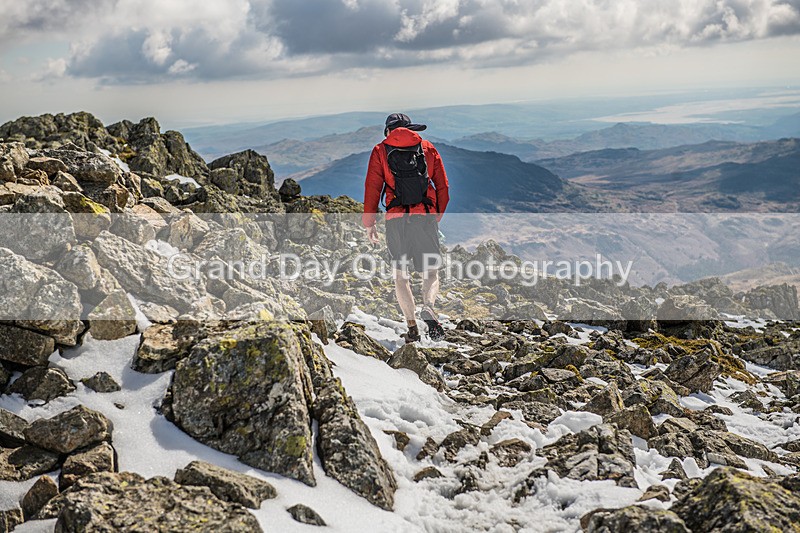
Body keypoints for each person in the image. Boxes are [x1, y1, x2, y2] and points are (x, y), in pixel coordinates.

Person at [362, 113, 450, 342]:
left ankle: (412, 327)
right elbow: (442, 185)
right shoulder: (427, 147)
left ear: (388, 130)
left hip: (396, 221)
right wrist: (436, 215)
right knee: (431, 272)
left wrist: (369, 224)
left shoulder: (380, 150)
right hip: (424, 218)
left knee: (401, 277)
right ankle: (428, 306)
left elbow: (372, 187)